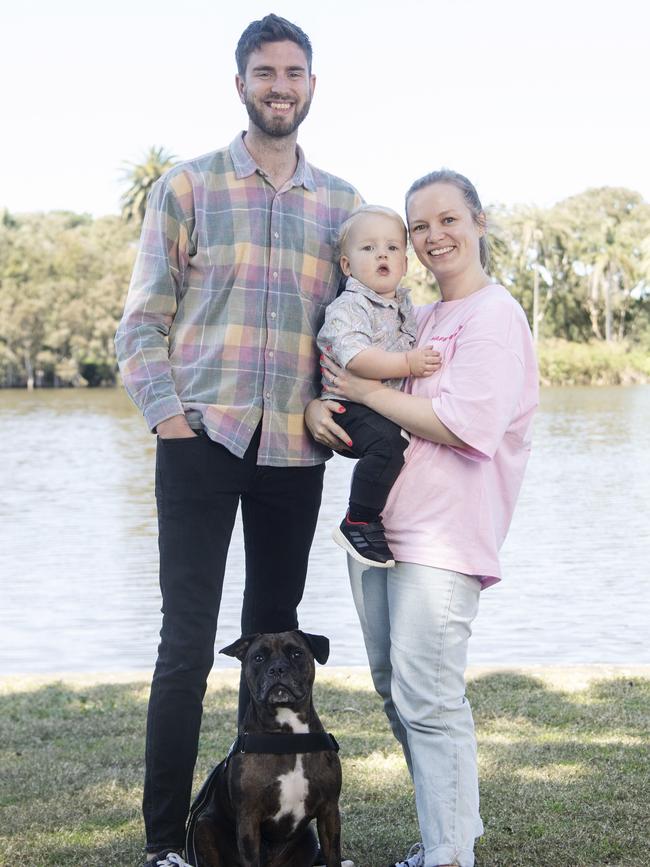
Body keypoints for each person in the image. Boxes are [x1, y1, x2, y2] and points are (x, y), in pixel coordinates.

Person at [115, 14, 362, 866]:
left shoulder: (339, 207)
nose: (280, 85)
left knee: (275, 643)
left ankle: (272, 830)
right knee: (185, 645)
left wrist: (338, 404)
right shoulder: (186, 188)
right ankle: (165, 844)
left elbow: (349, 331)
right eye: (265, 72)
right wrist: (170, 421)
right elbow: (141, 322)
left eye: (294, 72)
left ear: (312, 86)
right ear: (241, 84)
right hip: (201, 441)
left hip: (295, 456)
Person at [306, 169, 539, 867]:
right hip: (381, 531)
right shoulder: (419, 317)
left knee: (429, 696)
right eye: (420, 226)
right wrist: (325, 406)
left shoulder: (495, 316)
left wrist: (368, 390)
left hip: (445, 535)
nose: (434, 236)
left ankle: (447, 855)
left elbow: (464, 424)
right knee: (397, 690)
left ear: (478, 223)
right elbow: (357, 394)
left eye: (448, 220)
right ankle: (451, 833)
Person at [316, 205, 440, 567]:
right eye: (368, 248)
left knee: (394, 440)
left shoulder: (402, 306)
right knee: (388, 444)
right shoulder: (349, 307)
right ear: (347, 266)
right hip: (346, 407)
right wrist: (407, 364)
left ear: (404, 262)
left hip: (377, 405)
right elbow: (357, 359)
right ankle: (357, 521)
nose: (381, 254)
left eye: (391, 247)